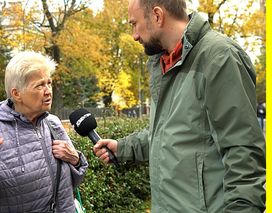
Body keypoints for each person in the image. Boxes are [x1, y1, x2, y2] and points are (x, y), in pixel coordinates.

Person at [93, 0, 266, 212]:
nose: (134, 35)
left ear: (157, 16)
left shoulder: (219, 57)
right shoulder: (163, 63)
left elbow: (243, 155)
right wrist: (123, 148)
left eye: (134, 24)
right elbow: (172, 134)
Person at [0, 51, 89, 212]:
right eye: (40, 85)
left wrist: (76, 160)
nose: (48, 91)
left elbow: (72, 183)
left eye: (49, 83)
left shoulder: (52, 123)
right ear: (16, 94)